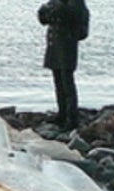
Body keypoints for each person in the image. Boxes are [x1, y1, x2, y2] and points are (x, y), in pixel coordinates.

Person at [38, 0, 89, 131]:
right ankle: (62, 114)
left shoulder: (75, 3)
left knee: (67, 83)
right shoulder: (56, 3)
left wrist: (54, 10)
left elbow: (75, 17)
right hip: (56, 44)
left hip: (66, 44)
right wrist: (47, 10)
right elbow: (43, 17)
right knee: (58, 82)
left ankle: (72, 118)